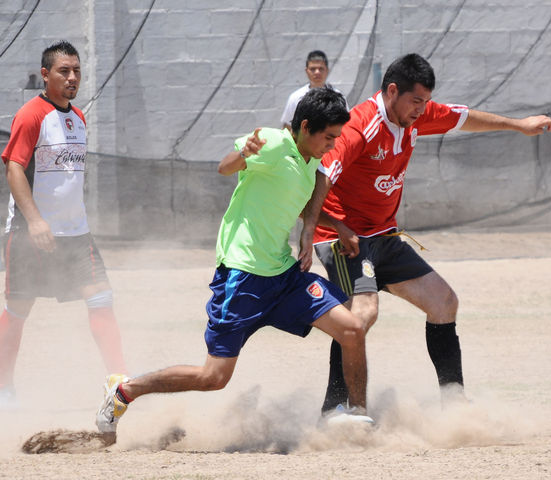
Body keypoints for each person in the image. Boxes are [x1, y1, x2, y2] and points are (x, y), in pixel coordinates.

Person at [96, 87, 372, 435]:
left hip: (284, 275)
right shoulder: (272, 143)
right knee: (213, 377)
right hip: (243, 277)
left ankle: (356, 414)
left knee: (352, 329)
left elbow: (316, 180)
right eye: (328, 137)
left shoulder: (310, 156)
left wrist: (311, 227)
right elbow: (224, 167)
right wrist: (244, 153)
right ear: (305, 127)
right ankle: (125, 390)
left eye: (336, 137)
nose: (332, 145)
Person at [299, 53, 551, 413]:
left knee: (443, 302)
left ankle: (454, 406)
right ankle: (336, 410)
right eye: (415, 100)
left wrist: (519, 125)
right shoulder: (361, 125)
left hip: (384, 236)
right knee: (361, 315)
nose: (421, 109)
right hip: (345, 238)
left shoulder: (417, 116)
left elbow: (464, 118)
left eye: (425, 101)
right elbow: (321, 177)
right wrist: (315, 229)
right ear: (392, 91)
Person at [0, 41, 127, 406]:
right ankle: (4, 390)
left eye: (77, 71)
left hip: (77, 234)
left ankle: (120, 387)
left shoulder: (79, 117)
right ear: (46, 75)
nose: (73, 78)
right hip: (31, 234)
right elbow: (14, 169)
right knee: (19, 309)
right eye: (64, 71)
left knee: (101, 298)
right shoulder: (31, 115)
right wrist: (35, 221)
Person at [280, 50, 344, 130]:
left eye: (321, 68)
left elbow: (345, 125)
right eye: (313, 69)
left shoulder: (338, 97)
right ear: (306, 71)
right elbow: (287, 127)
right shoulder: (295, 97)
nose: (317, 72)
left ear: (327, 70)